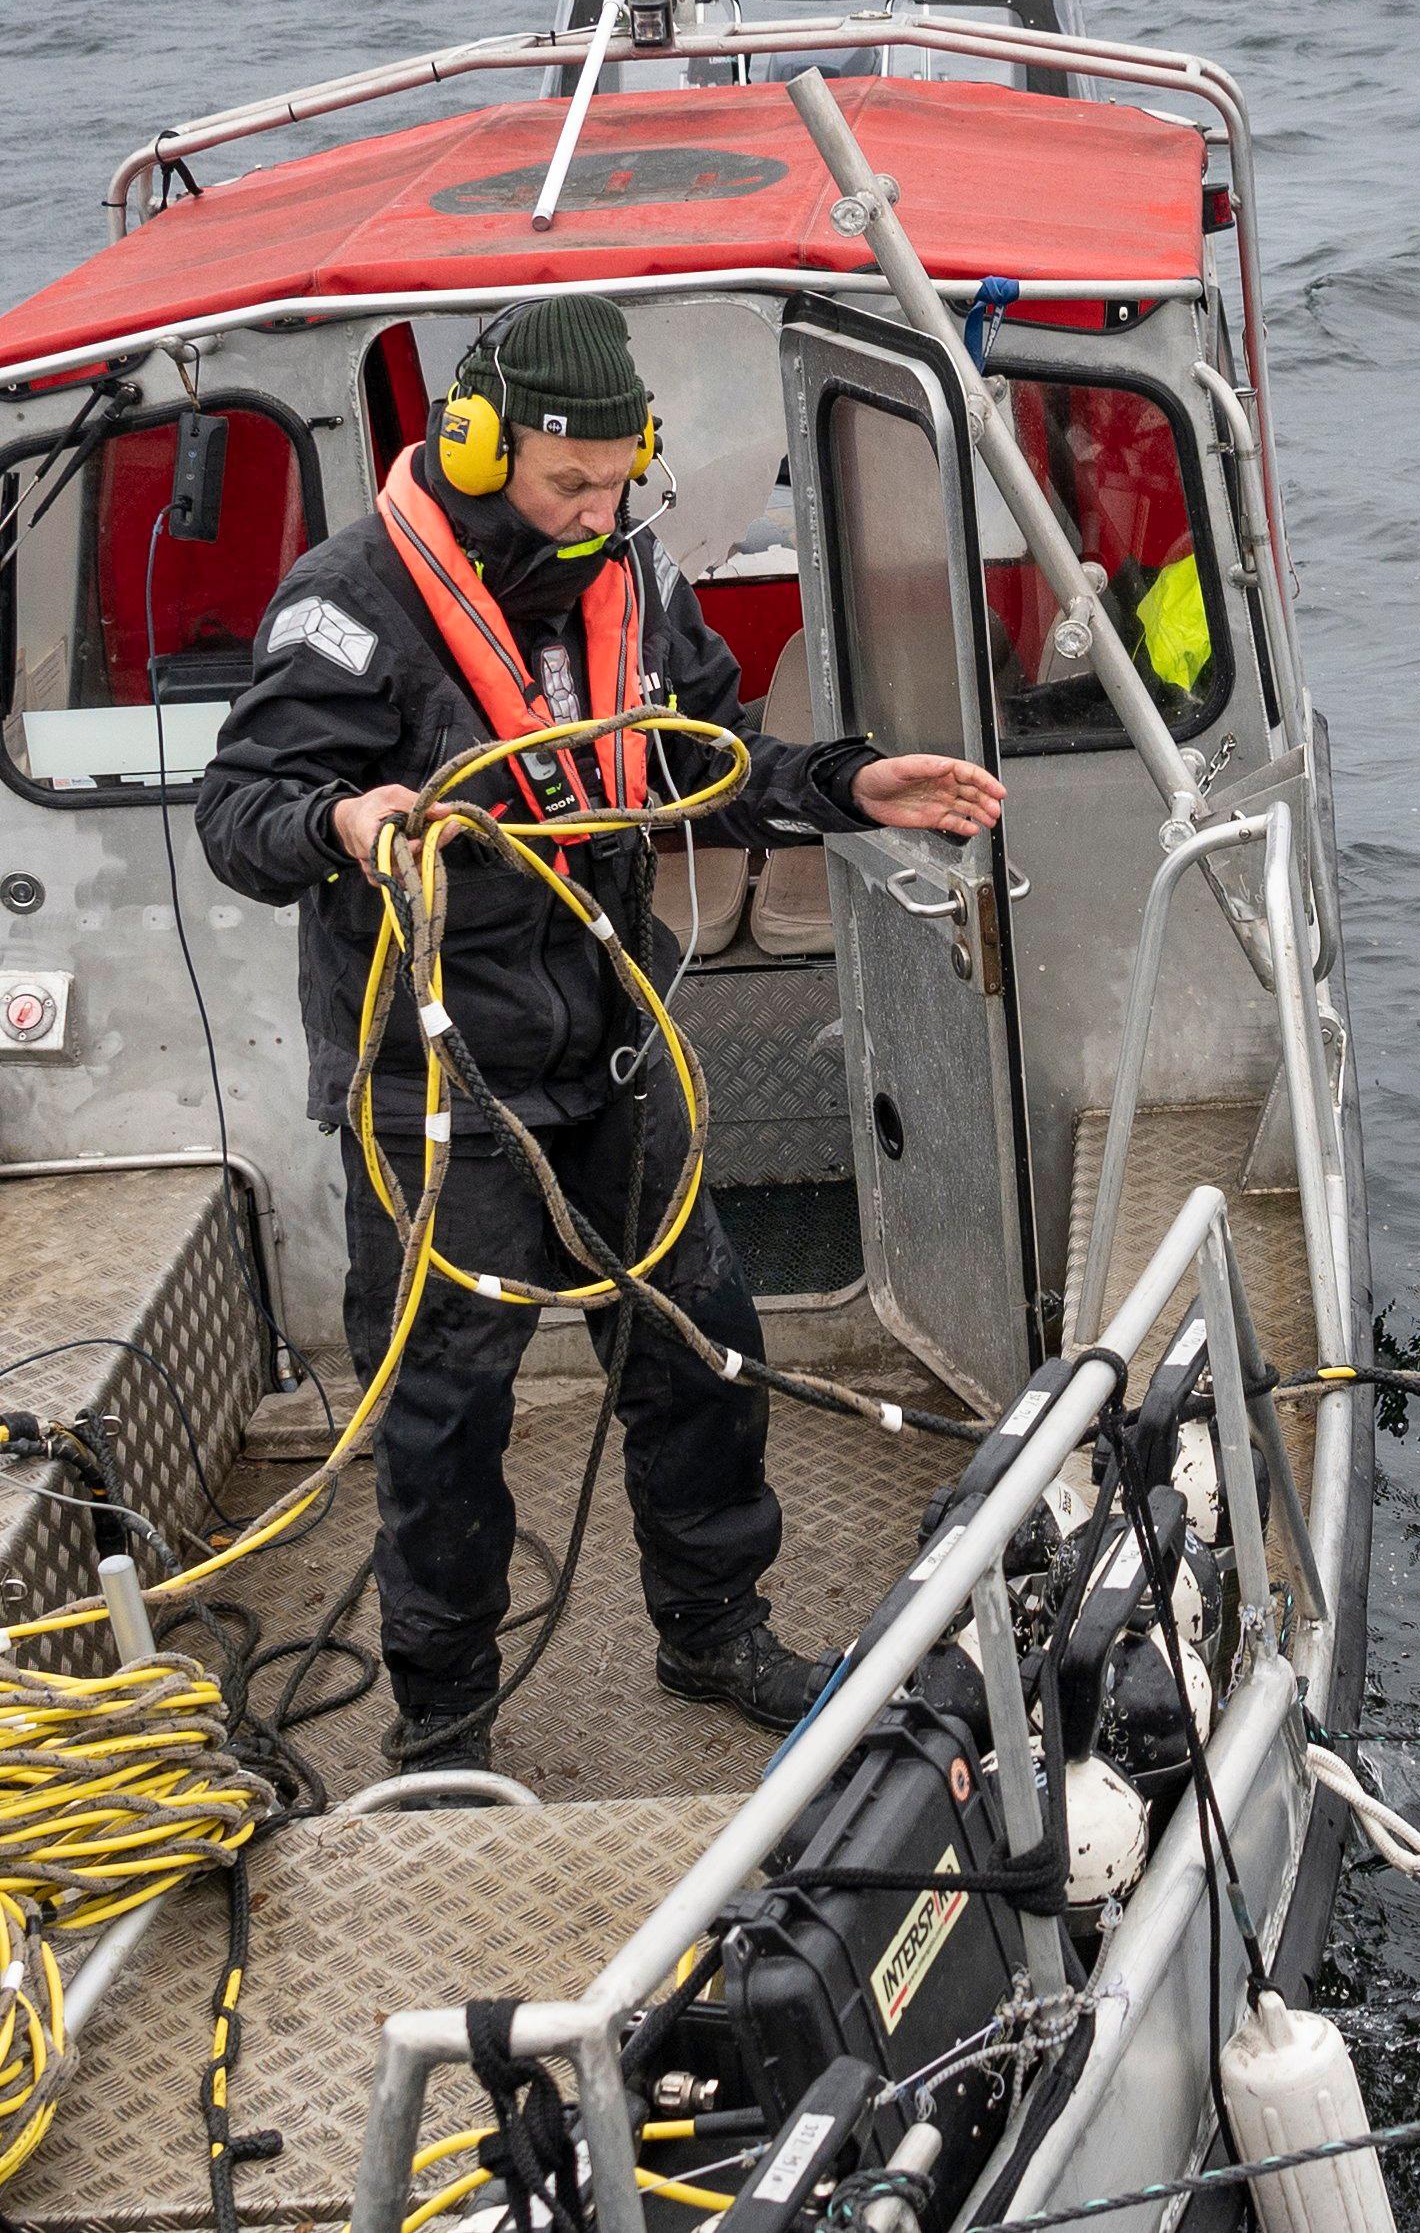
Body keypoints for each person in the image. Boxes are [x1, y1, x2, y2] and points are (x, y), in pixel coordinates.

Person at [196, 294, 1004, 1770]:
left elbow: (705, 761)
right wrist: (347, 817)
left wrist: (850, 783)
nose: (596, 510)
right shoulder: (348, 599)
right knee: (446, 1412)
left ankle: (713, 1629)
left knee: (703, 1347)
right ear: (480, 441)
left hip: (613, 1057)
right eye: (568, 483)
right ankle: (442, 1726)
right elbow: (239, 820)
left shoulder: (627, 570)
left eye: (616, 482)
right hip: (438, 1088)